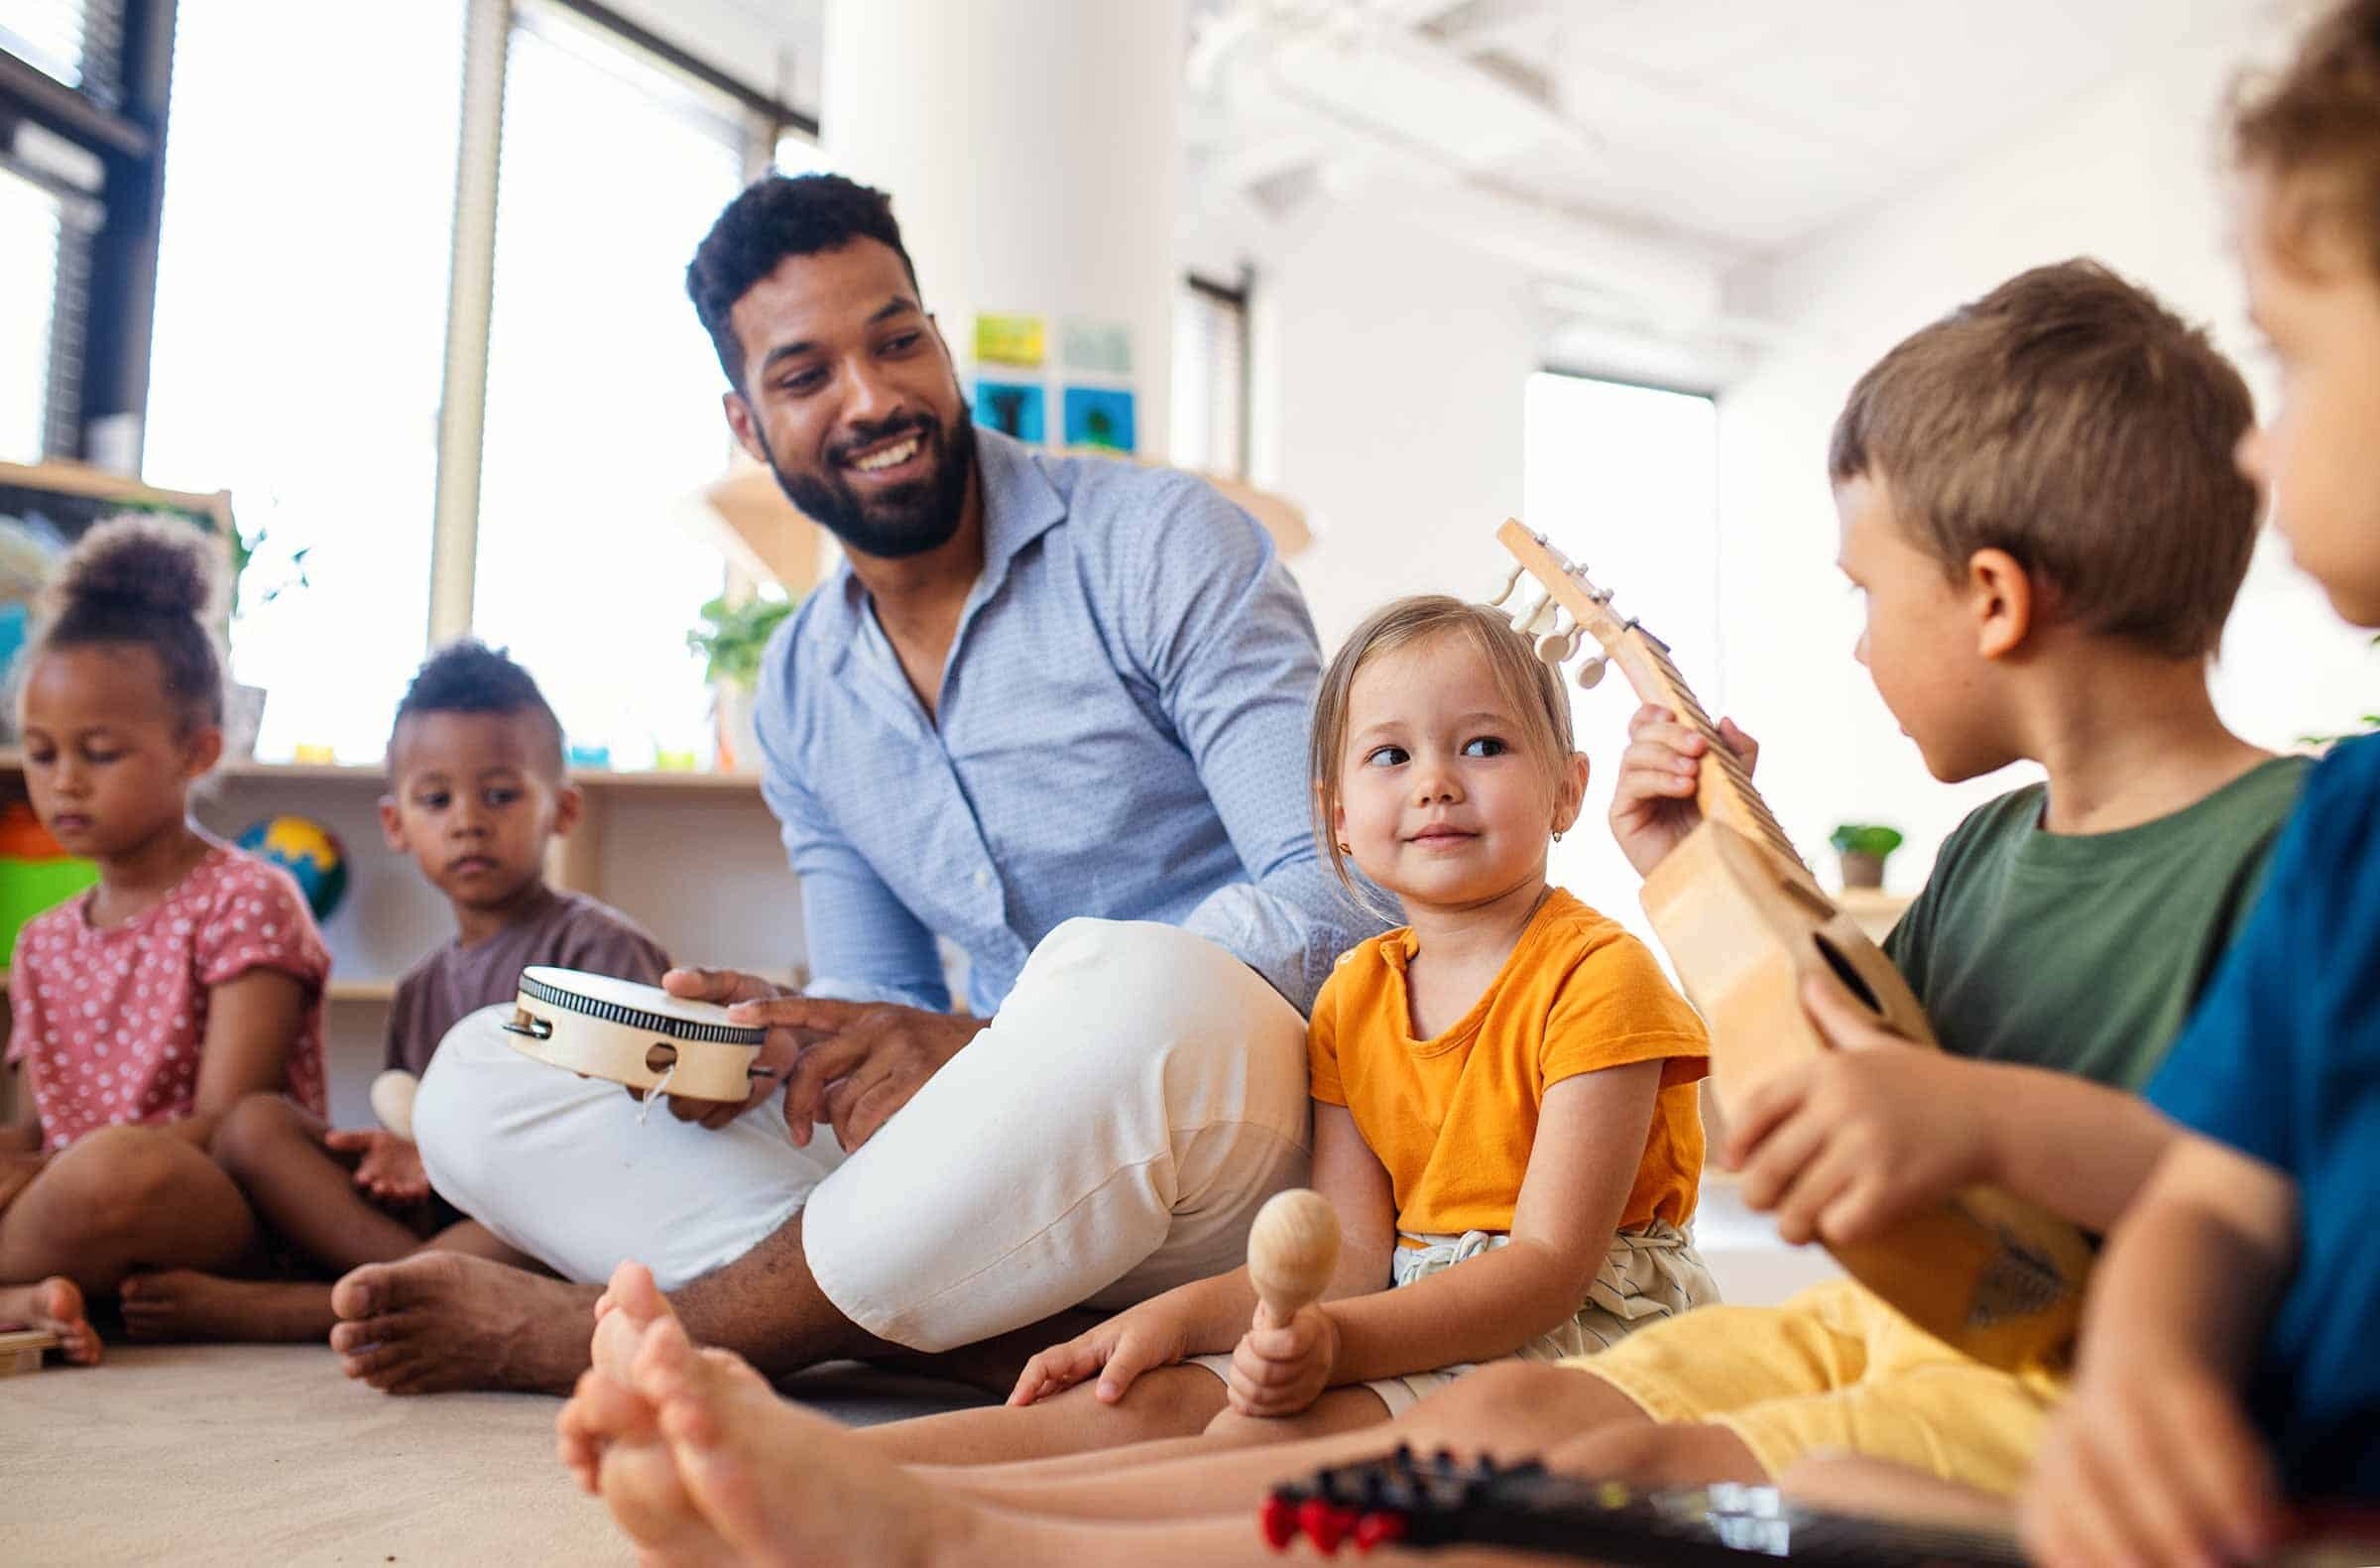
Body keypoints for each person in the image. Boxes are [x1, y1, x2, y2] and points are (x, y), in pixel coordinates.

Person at [536, 258, 2315, 1566]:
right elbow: (1855, 1095)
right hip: (1886, 1326)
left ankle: (965, 1546)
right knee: (1484, 1416)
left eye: (1864, 592)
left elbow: (2262, 1200)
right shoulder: (1991, 859)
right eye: (1389, 761)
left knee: (1562, 1469)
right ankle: (921, 1492)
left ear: (1994, 600)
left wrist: (1930, 1112)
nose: (1850, 640)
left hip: (2080, 1393)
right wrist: (1698, 861)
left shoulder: (2300, 851)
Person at [327, 172, 1374, 1395]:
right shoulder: (800, 688)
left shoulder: (1158, 544)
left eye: (895, 342)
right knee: (476, 1077)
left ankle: (661, 1334)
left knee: (1131, 976)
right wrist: (781, 1046)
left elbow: (1340, 894)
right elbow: (875, 998)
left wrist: (995, 1046)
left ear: (936, 338)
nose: (874, 399)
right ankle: (984, 1334)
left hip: (1229, 1129)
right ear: (746, 422)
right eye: (806, 374)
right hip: (995, 1169)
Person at [573, 595, 1717, 1482]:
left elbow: (1544, 1276)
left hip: (1580, 1338)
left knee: (1256, 1438)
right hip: (1414, 1305)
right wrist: (1159, 1323)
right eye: (1390, 757)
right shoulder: (1357, 997)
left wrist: (1338, 1350)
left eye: (1483, 747)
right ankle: (797, 1462)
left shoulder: (1598, 978)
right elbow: (1354, 1257)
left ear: (1567, 790)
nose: (1434, 786)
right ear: (1336, 821)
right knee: (1159, 1389)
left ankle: (871, 1499)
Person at [2019, 6, 2380, 1561]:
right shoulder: (2353, 832)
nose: (2256, 449)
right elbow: (2215, 1201)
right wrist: (2149, 1369)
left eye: (2291, 360)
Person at [114, 642, 670, 1352]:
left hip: (546, 1215)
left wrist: (443, 1157)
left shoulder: (598, 950)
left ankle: (302, 1309)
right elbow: (408, 1115)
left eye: (500, 794)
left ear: (561, 809)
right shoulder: (417, 990)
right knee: (253, 1127)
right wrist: (395, 1152)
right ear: (396, 824)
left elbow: (631, 1139)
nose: (467, 819)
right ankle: (407, 1284)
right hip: (442, 1216)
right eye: (436, 799)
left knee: (536, 1233)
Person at [0, 518, 328, 1365]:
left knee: (117, 1171)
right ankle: (23, 1297)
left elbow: (227, 1125)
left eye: (99, 752)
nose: (63, 778)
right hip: (66, 1207)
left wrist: (48, 1174)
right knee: (85, 1172)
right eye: (40, 752)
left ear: (199, 750)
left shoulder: (247, 899)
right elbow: (30, 1131)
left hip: (211, 1206)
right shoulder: (39, 943)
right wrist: (22, 1164)